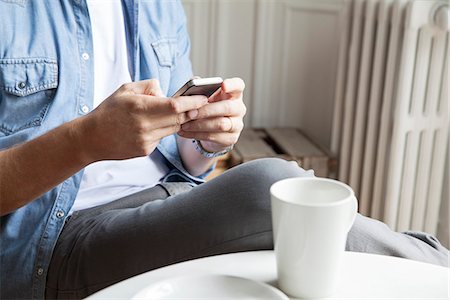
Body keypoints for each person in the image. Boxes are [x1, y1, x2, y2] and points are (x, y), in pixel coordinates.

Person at [0, 1, 448, 299]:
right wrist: (85, 141)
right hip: (51, 245)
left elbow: (180, 156)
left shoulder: (156, 6)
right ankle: (434, 263)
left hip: (170, 201)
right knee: (273, 190)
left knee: (302, 254)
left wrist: (207, 140)